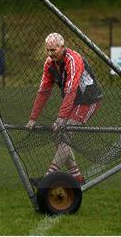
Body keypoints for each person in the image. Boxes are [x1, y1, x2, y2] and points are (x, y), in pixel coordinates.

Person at [26, 32, 102, 185]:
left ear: (63, 47)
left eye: (53, 50)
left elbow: (71, 90)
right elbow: (43, 92)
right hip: (73, 101)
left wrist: (61, 118)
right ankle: (77, 177)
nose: (50, 53)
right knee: (58, 136)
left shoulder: (73, 60)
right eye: (47, 50)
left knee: (65, 133)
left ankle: (48, 177)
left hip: (89, 100)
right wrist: (32, 118)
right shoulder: (49, 64)